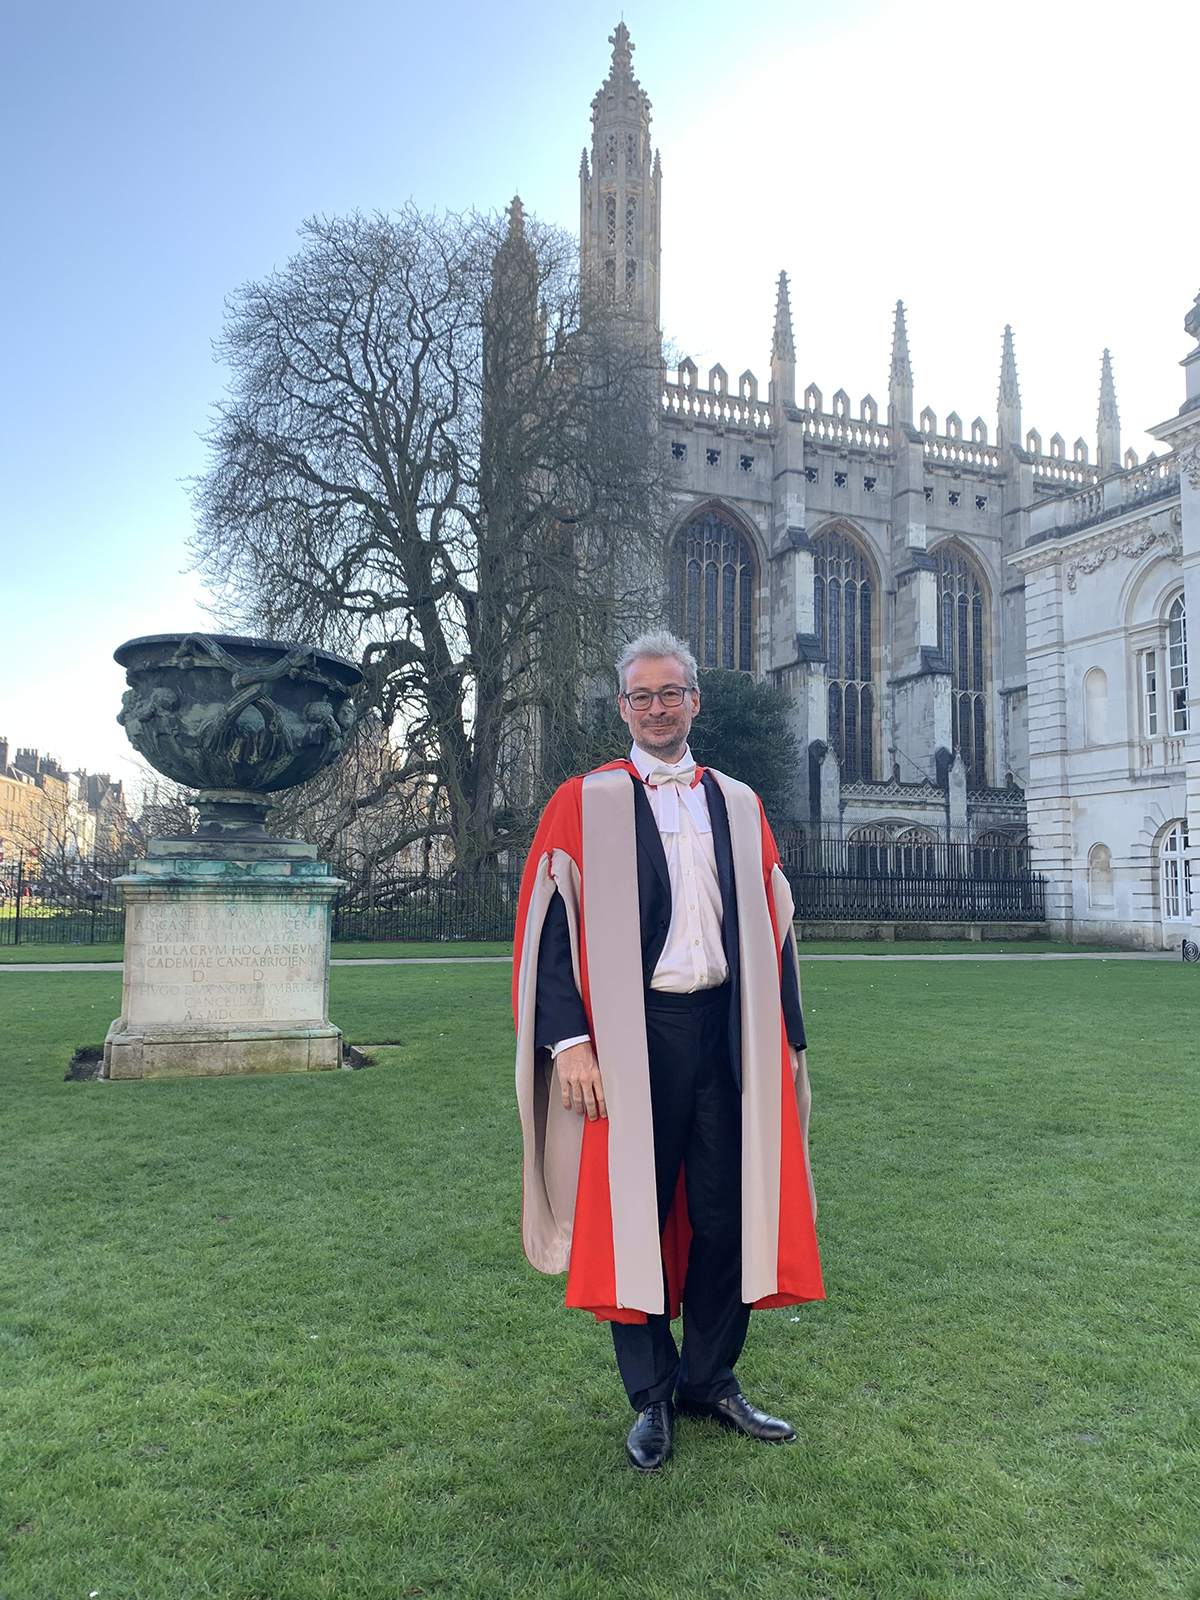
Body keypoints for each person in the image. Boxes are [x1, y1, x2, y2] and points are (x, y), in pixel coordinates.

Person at [513, 629, 823, 1472]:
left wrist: (789, 1039)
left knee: (728, 1214)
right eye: (642, 696)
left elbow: (776, 925)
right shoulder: (584, 802)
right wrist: (568, 1041)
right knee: (632, 1218)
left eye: (671, 693)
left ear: (696, 702)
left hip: (727, 1028)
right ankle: (650, 1396)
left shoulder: (738, 802)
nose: (657, 708)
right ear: (623, 707)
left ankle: (710, 1381)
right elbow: (549, 932)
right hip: (628, 1034)